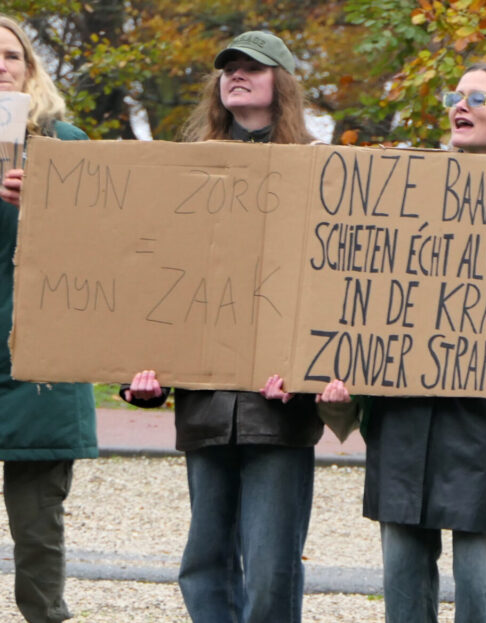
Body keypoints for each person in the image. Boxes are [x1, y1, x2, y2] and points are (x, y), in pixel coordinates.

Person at [120, 31, 324, 623]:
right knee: (205, 559)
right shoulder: (185, 173)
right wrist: (138, 371)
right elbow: (153, 274)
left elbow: (330, 284)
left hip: (280, 409)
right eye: (228, 67)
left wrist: (309, 373)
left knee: (271, 564)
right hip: (205, 406)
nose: (236, 74)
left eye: (252, 68)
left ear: (282, 83)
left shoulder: (320, 172)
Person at [360, 62, 486, 623]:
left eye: (477, 97)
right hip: (406, 416)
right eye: (455, 96)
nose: (459, 106)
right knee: (402, 580)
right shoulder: (407, 190)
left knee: (483, 587)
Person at [0, 15, 98, 623]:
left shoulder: (66, 145)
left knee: (37, 528)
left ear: (30, 70)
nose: (0, 65)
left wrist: (49, 204)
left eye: (11, 55)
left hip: (38, 365)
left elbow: (106, 252)